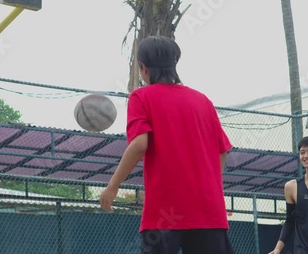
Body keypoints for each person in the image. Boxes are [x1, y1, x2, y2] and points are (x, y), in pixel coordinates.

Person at [99, 36, 234, 254]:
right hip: (209, 210)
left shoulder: (141, 97)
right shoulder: (202, 101)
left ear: (143, 68)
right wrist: (208, 187)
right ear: (174, 64)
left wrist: (113, 186)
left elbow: (139, 144)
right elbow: (222, 150)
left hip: (165, 212)